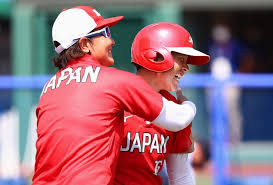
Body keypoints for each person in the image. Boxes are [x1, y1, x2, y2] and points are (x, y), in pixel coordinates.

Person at [32, 6, 198, 185]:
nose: (112, 40)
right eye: (105, 32)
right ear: (84, 44)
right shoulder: (113, 82)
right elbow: (178, 118)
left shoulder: (49, 88)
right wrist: (188, 104)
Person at [114, 22, 210, 185]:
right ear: (156, 56)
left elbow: (181, 176)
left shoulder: (176, 109)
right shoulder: (114, 97)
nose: (186, 67)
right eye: (181, 59)